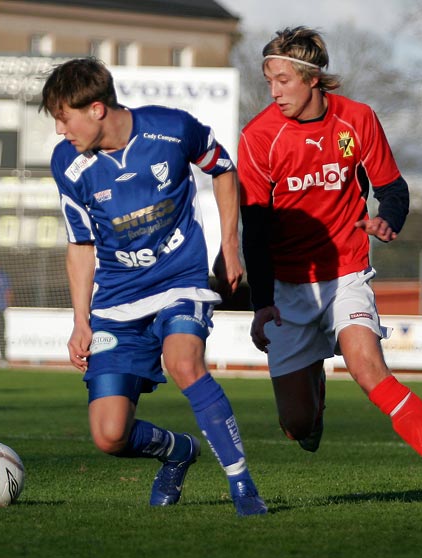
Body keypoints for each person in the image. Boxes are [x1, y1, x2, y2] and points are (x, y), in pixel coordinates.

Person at [237, 26, 422, 508]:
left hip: (346, 273)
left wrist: (388, 220)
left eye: (283, 80)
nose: (274, 91)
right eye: (269, 80)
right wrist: (262, 304)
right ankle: (313, 392)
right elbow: (257, 231)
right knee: (298, 426)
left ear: (312, 78)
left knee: (370, 370)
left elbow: (392, 188)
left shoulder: (357, 119)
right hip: (289, 289)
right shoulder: (259, 138)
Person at [39, 57, 267, 516]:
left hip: (179, 280)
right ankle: (178, 451)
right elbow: (80, 245)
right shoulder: (68, 163)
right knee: (109, 435)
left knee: (183, 361)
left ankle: (242, 484)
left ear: (97, 108)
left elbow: (223, 168)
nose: (61, 131)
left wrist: (229, 244)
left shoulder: (171, 129)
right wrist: (80, 321)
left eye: (64, 118)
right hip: (118, 300)